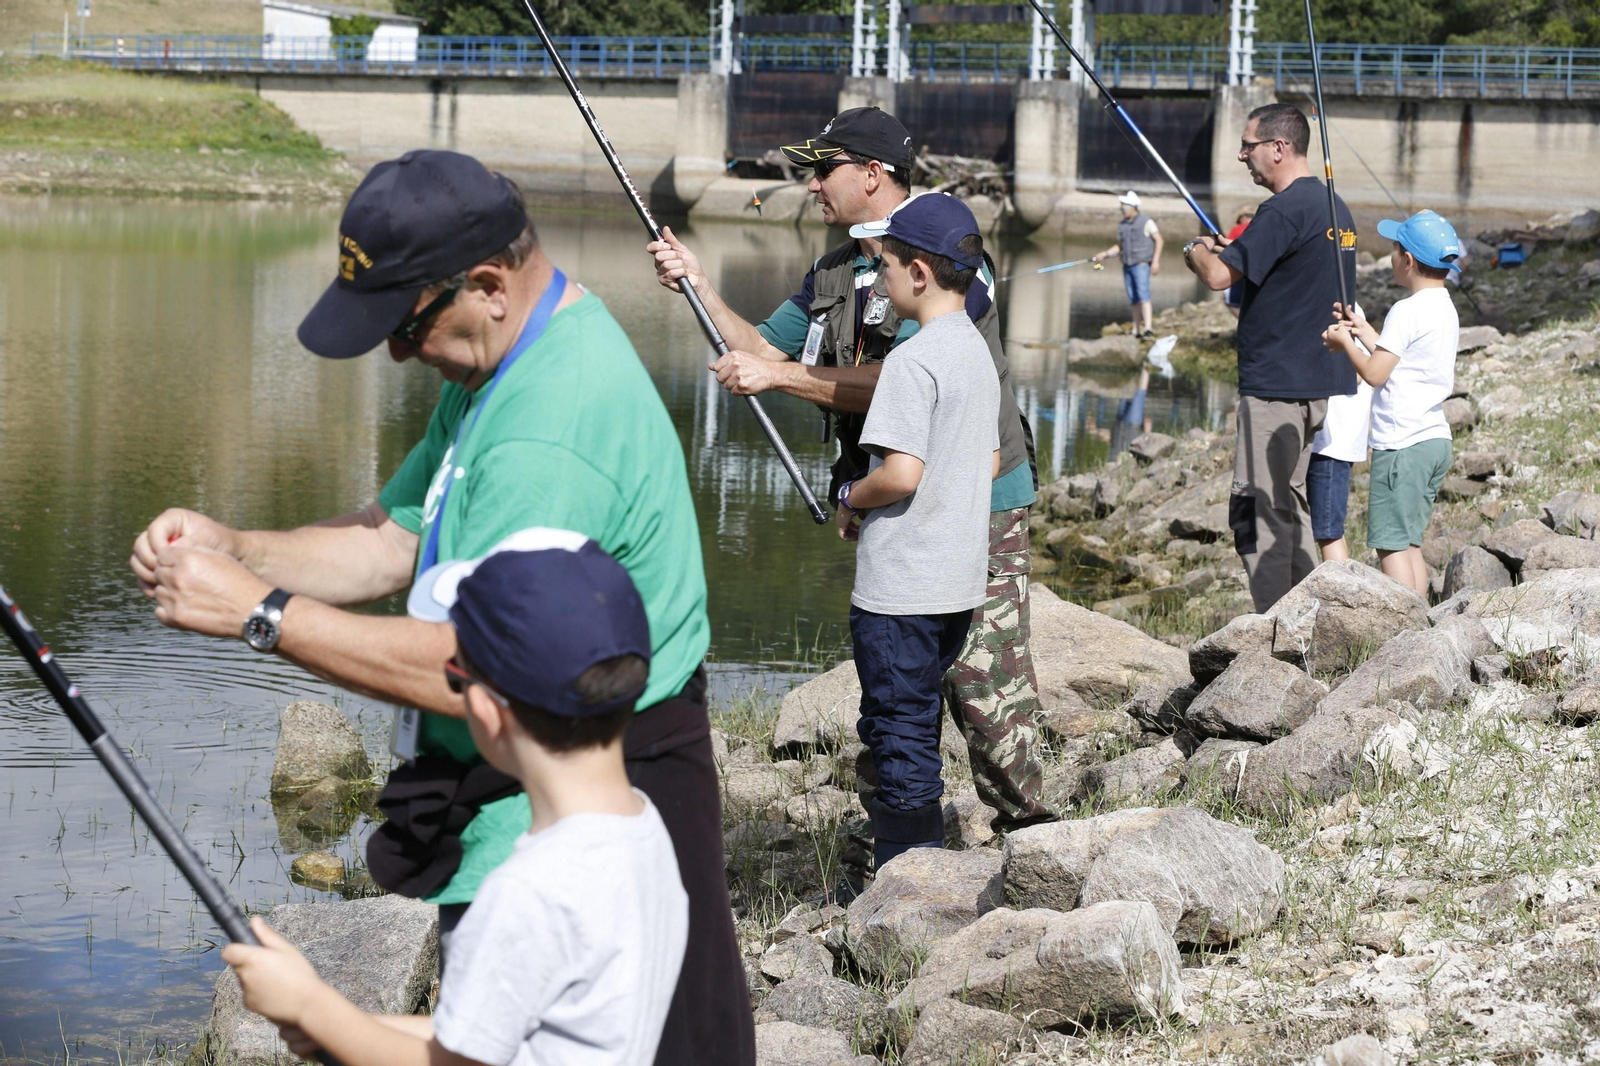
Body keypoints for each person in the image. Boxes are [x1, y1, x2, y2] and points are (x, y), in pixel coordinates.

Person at [131, 150, 753, 1066]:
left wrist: (259, 612)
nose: (393, 351)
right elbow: (395, 535)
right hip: (546, 781)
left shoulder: (551, 426)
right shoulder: (504, 363)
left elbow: (467, 665)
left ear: (489, 285)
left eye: (404, 323)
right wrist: (237, 548)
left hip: (574, 779)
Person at [647, 107, 1054, 837]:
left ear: (872, 174)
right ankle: (904, 835)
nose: (810, 184)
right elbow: (768, 353)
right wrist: (698, 287)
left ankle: (1034, 834)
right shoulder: (836, 267)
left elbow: (903, 379)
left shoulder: (945, 252)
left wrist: (787, 382)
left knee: (981, 678)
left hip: (975, 494)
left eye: (822, 168)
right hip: (892, 487)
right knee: (899, 681)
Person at [223, 531, 688, 1066]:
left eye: (454, 677)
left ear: (486, 714)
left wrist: (309, 1003)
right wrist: (338, 1023)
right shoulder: (645, 832)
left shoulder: (525, 893)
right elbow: (497, 1036)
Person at [833, 193, 1001, 868]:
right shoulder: (974, 348)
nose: (877, 278)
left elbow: (899, 475)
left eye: (888, 264)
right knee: (914, 717)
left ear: (920, 275)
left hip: (900, 590)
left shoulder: (912, 359)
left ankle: (908, 881)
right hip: (954, 584)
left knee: (898, 732)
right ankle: (908, 855)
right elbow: (988, 459)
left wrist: (850, 493)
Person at [1181, 103, 1360, 612]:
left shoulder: (1282, 209)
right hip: (1316, 383)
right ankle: (1310, 621)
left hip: (1277, 386)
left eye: (1249, 145)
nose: (1242, 155)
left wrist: (1196, 248)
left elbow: (1218, 277)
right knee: (1290, 505)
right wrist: (1231, 248)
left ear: (1279, 148)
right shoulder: (1333, 207)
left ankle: (1277, 631)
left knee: (1257, 509)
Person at [1322, 210, 1462, 595]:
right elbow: (1399, 358)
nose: (1392, 255)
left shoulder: (1407, 309)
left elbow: (1375, 373)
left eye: (1394, 248)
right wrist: (1365, 331)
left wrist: (1344, 343)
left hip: (1402, 444)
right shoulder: (1444, 307)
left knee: (1390, 544)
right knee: (1408, 541)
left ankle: (1403, 630)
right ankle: (1419, 625)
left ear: (1408, 260)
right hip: (1434, 438)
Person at [1090, 190, 1164, 338]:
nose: (1122, 210)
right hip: (1127, 264)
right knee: (1133, 298)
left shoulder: (1146, 221)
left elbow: (1159, 240)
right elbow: (1120, 246)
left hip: (1141, 264)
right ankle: (1136, 329)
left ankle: (1148, 328)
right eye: (1121, 208)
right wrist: (1104, 254)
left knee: (1143, 295)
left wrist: (1155, 261)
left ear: (1133, 207)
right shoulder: (1122, 225)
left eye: (1124, 208)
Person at [1223, 209, 1255, 318]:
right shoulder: (1260, 227)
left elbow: (1225, 249)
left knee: (1231, 302)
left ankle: (1244, 325)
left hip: (1238, 270)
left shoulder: (1237, 229)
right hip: (1256, 272)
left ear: (1242, 217)